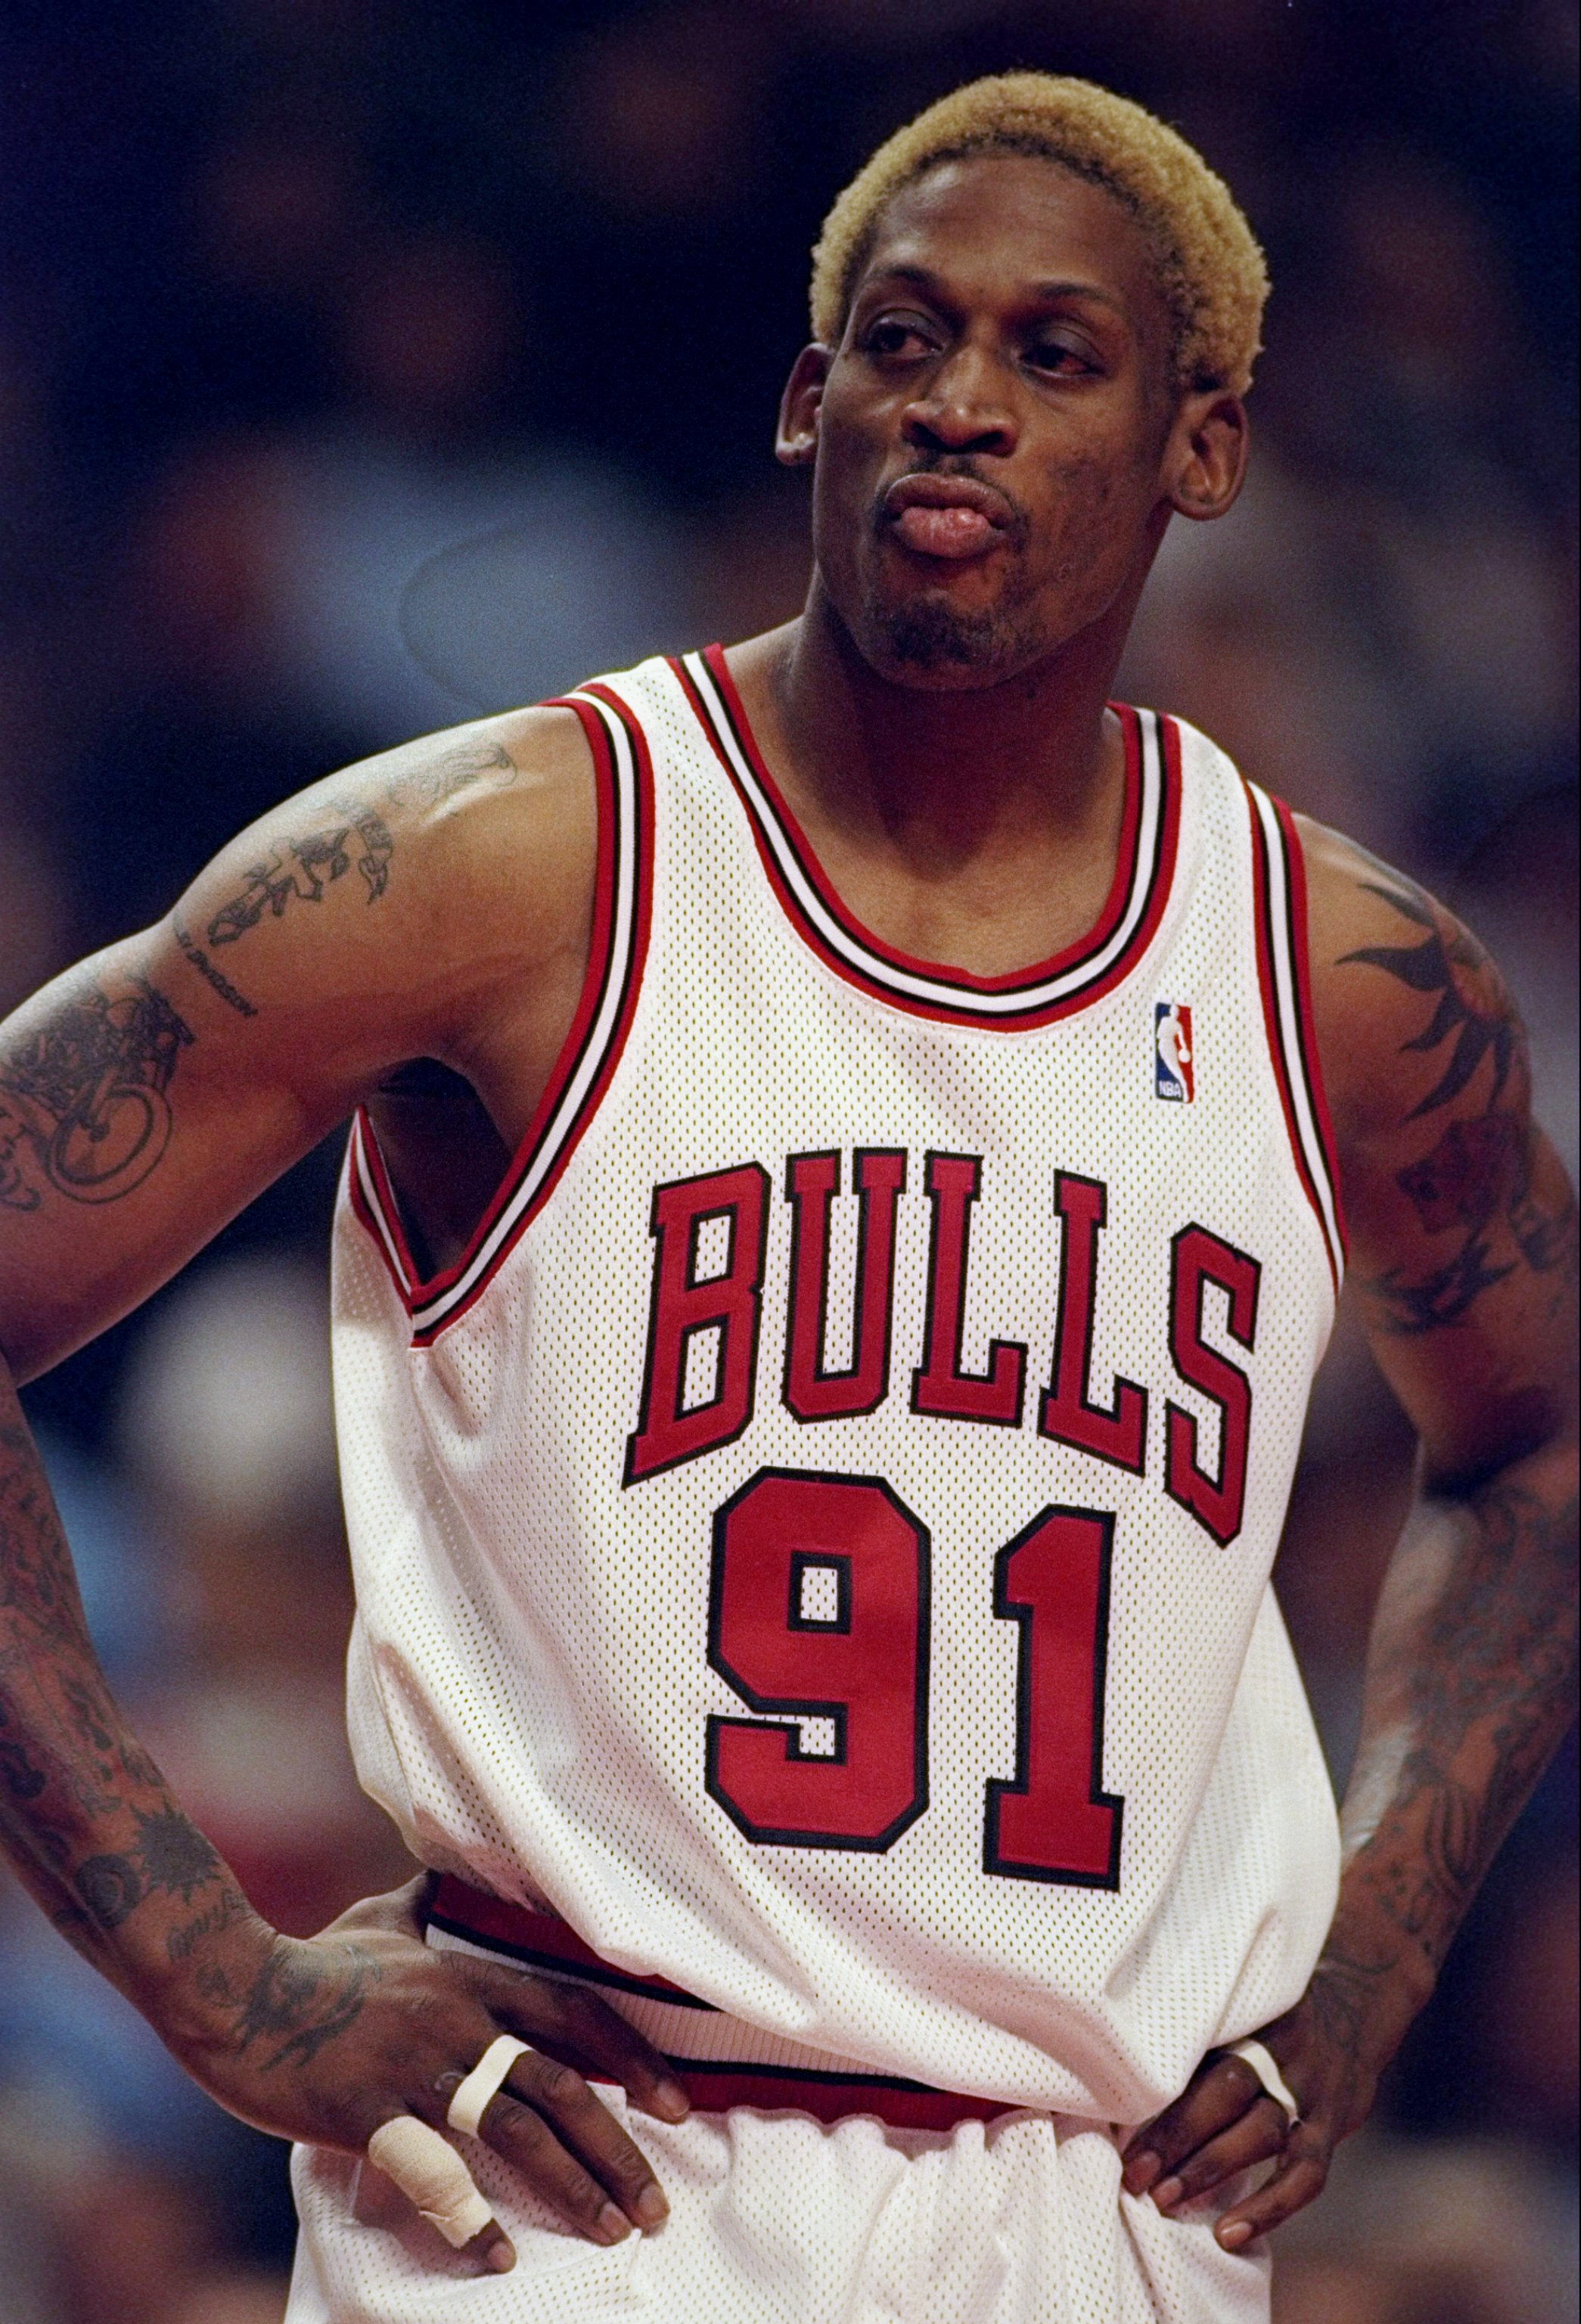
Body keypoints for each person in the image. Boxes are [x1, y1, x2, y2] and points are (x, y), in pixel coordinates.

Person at [0, 72, 1573, 2324]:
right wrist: (217, 1982)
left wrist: (1372, 1948)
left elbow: (1537, 1436)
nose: (956, 404)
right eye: (904, 338)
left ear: (1201, 450)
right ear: (799, 400)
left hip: (1094, 2200)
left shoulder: (1342, 980)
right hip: (582, 2184)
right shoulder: (501, 866)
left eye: (1053, 357)